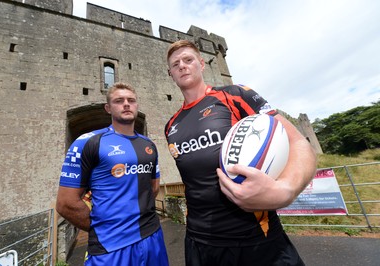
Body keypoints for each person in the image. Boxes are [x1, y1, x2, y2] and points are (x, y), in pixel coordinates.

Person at [164, 40, 317, 266]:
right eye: (175, 64)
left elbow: (298, 144)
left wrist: (285, 190)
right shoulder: (171, 126)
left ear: (201, 64)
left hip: (257, 239)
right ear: (170, 74)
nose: (182, 66)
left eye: (188, 60)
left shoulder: (235, 95)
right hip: (200, 243)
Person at [56, 82, 169, 266]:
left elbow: (153, 188)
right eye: (119, 100)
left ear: (137, 105)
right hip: (111, 248)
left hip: (152, 237)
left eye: (131, 100)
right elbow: (65, 203)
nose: (126, 104)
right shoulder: (87, 142)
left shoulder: (148, 145)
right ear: (108, 108)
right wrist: (103, 229)